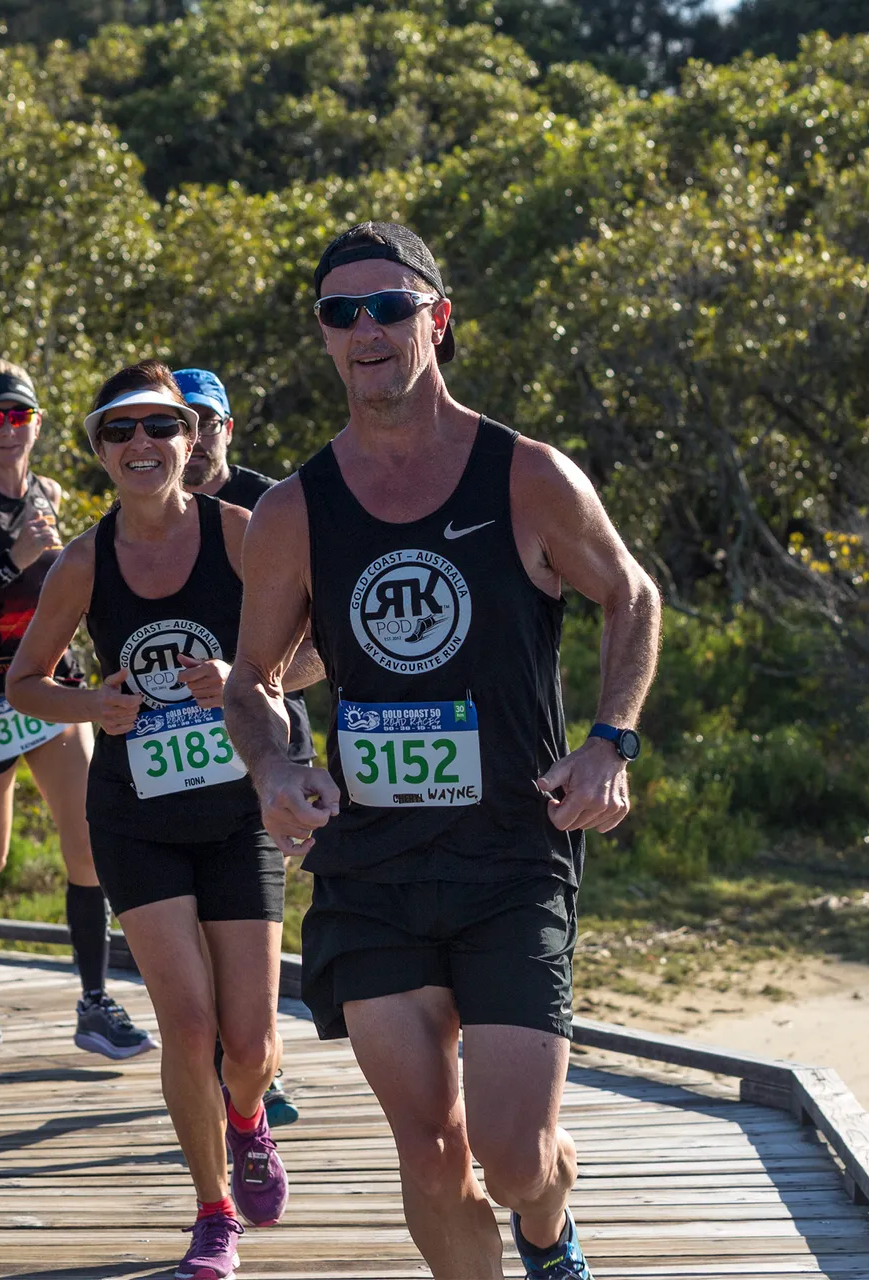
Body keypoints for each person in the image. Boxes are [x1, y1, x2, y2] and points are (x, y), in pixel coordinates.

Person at [223, 222, 662, 1280]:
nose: (366, 329)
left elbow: (631, 593)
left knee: (513, 1159)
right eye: (341, 312)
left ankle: (550, 1226)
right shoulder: (292, 509)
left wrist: (609, 740)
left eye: (389, 306)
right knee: (428, 1152)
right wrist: (275, 766)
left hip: (513, 852)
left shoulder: (525, 475)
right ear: (325, 338)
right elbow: (250, 680)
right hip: (372, 865)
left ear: (439, 317)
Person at [7, 360, 322, 1280]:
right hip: (137, 814)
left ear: (192, 439)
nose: (141, 445)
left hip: (237, 807)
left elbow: (312, 648)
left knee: (253, 1043)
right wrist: (89, 708)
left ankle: (250, 1119)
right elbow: (25, 682)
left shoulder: (240, 534)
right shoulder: (85, 560)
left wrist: (246, 678)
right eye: (119, 431)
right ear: (101, 451)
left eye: (159, 428)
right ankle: (212, 1210)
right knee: (187, 1027)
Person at [0, 358, 150, 1057]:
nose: (7, 430)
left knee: (88, 847)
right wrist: (7, 563)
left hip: (48, 685)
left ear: (39, 423)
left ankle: (94, 1001)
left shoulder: (47, 493)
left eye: (18, 416)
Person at [175, 365, 312, 1129]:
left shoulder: (274, 504)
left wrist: (249, 677)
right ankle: (243, 1067)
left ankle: (259, 1062)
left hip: (267, 719)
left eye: (205, 424)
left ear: (229, 429)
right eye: (176, 425)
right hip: (180, 736)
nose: (190, 442)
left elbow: (325, 623)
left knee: (264, 895)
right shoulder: (147, 508)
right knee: (206, 904)